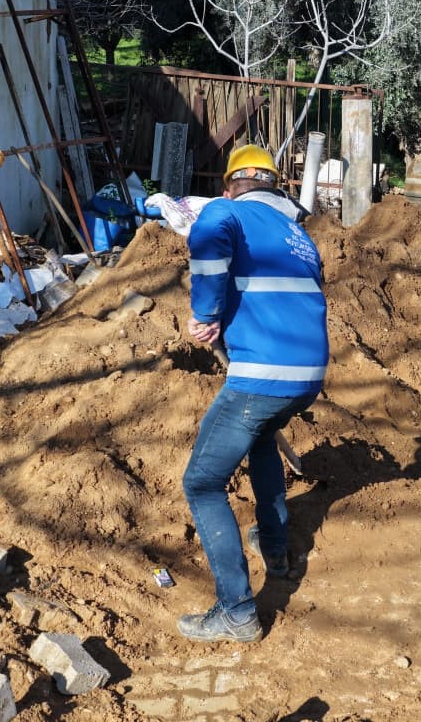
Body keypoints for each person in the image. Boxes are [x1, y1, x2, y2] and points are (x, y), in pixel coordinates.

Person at [178, 144, 329, 644]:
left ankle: (236, 611)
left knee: (202, 484)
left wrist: (206, 314)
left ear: (231, 188)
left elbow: (209, 230)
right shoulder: (300, 237)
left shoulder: (228, 211)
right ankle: (277, 548)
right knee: (262, 438)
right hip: (307, 375)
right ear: (274, 188)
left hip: (263, 374)